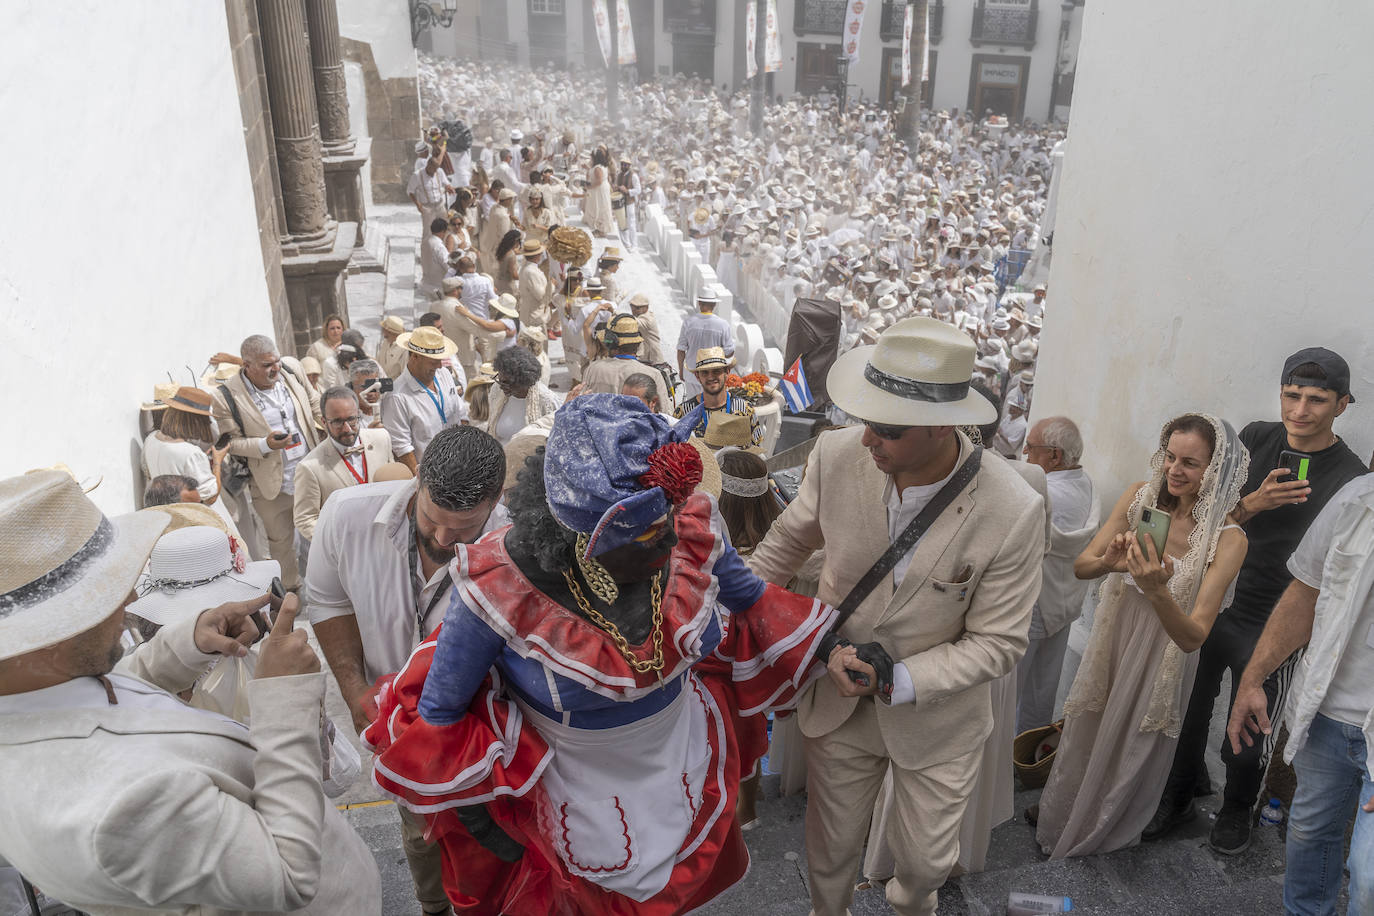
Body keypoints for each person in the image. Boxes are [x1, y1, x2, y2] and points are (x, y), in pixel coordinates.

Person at [362, 395, 839, 914]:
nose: (664, 547)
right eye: (641, 532)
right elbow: (441, 712)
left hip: (684, 763)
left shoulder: (689, 528)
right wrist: (486, 826)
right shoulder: (498, 587)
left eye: (666, 523)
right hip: (574, 798)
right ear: (579, 530)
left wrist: (835, 648)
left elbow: (752, 600)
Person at [748, 318, 1046, 916]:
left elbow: (999, 642)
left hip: (939, 718)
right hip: (838, 702)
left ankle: (913, 902)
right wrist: (738, 616)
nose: (867, 441)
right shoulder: (835, 455)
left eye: (885, 428)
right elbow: (781, 549)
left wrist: (899, 679)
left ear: (943, 427)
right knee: (828, 852)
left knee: (926, 862)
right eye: (865, 421)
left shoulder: (1014, 509)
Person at [0, 470, 381, 913]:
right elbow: (287, 877)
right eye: (104, 594)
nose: (126, 604)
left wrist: (186, 645)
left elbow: (109, 696)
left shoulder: (36, 692)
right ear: (49, 635)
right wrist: (281, 698)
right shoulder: (116, 802)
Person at [1149, 347, 1366, 853]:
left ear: (1343, 404)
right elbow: (1203, 519)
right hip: (1218, 597)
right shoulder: (1255, 438)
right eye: (1292, 395)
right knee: (1187, 708)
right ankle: (1178, 795)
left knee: (1247, 730)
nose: (1300, 410)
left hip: (1276, 617)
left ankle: (1236, 808)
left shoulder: (1352, 477)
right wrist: (1253, 503)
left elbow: (1332, 570)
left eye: (1317, 399)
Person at [308, 425, 509, 916]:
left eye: (462, 530)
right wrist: (356, 691)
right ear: (418, 484)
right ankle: (432, 907)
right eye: (431, 520)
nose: (442, 539)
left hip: (484, 737)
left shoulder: (516, 540)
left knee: (493, 843)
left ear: (495, 502)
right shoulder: (346, 515)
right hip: (392, 732)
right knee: (419, 834)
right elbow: (327, 602)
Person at [1035, 414, 1250, 859]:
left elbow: (1193, 636)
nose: (1174, 470)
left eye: (1190, 463)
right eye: (1170, 456)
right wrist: (1110, 564)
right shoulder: (1140, 498)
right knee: (1089, 722)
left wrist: (1156, 590)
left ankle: (1101, 823)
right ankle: (1065, 810)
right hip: (1116, 635)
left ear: (1216, 470)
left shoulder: (1228, 539)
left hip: (1165, 649)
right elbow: (1082, 567)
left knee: (1133, 736)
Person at [1225, 474, 1374, 916]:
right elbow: (1306, 591)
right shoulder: (1355, 497)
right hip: (1328, 713)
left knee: (1368, 877)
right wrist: (1254, 680)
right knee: (1309, 836)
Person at [211, 335, 323, 591]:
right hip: (272, 485)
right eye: (267, 365)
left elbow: (314, 400)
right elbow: (231, 443)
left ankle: (324, 584)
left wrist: (324, 420)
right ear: (247, 365)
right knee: (281, 544)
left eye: (277, 362)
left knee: (321, 533)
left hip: (311, 471)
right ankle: (291, 594)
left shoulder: (292, 369)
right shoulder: (225, 396)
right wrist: (265, 445)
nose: (275, 369)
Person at [1018, 415, 1100, 733]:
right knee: (1042, 689)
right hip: (1065, 602)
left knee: (1009, 691)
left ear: (1054, 455)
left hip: (1034, 603)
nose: (1025, 453)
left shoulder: (1041, 493)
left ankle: (1002, 761)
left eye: (1031, 447)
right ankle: (1025, 753)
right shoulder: (1086, 483)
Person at [292, 387, 393, 543]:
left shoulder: (382, 438)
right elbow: (305, 518)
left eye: (352, 419)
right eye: (338, 422)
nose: (347, 429)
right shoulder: (309, 467)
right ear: (324, 422)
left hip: (387, 538)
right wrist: (341, 543)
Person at [382, 326, 468, 474]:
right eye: (433, 361)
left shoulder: (444, 375)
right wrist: (423, 481)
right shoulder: (396, 397)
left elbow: (460, 413)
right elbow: (402, 448)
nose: (440, 365)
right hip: (430, 476)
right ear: (415, 357)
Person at [141, 386, 229, 513]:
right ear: (196, 420)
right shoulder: (191, 453)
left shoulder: (151, 439)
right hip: (191, 515)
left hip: (163, 514)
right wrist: (217, 462)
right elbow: (210, 497)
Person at [675, 348, 762, 448]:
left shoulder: (745, 409)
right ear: (697, 376)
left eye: (716, 371)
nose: (711, 377)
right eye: (705, 372)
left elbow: (756, 451)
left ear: (727, 372)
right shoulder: (683, 413)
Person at [484, 346, 560, 445]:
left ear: (523, 382)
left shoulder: (547, 401)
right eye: (499, 380)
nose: (501, 386)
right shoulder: (497, 390)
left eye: (506, 382)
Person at [676, 288, 733, 401]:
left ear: (699, 303)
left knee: (692, 407)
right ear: (715, 304)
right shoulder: (723, 325)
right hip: (713, 377)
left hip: (692, 373)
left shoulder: (688, 322)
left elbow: (681, 350)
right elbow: (729, 352)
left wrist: (681, 371)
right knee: (712, 407)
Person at [580, 313, 658, 395]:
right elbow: (665, 407)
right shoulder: (653, 374)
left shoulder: (592, 369)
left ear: (611, 342)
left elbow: (583, 399)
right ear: (637, 344)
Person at [409, 154, 456, 243]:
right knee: (428, 231)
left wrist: (449, 187)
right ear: (428, 165)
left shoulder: (439, 171)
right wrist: (418, 204)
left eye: (436, 169)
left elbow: (446, 183)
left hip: (439, 204)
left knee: (446, 227)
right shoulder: (417, 175)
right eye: (433, 169)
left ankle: (444, 249)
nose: (434, 172)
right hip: (427, 207)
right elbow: (410, 191)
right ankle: (426, 253)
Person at [516, 237, 552, 332]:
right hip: (534, 316)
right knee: (537, 345)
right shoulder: (531, 272)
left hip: (530, 313)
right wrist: (552, 285)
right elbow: (541, 296)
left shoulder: (526, 268)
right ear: (537, 255)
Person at [420, 217, 453, 304]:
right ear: (443, 231)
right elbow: (447, 264)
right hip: (437, 286)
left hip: (427, 282)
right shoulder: (439, 246)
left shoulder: (425, 241)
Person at [629, 292, 667, 367]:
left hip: (653, 360)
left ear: (646, 307)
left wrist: (613, 311)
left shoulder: (646, 319)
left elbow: (632, 322)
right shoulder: (645, 316)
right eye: (632, 307)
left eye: (637, 308)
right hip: (646, 358)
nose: (633, 310)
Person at [347, 358, 387, 429]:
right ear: (351, 387)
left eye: (374, 386)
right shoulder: (347, 417)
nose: (370, 393)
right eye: (364, 387)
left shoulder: (389, 408)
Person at [492, 229, 522, 299]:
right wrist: (524, 277)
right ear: (515, 241)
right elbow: (514, 275)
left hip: (498, 283)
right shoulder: (511, 255)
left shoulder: (501, 250)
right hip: (508, 287)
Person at [377, 315, 409, 379]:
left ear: (389, 332)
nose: (383, 332)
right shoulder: (386, 342)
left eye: (383, 329)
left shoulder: (405, 350)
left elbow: (405, 375)